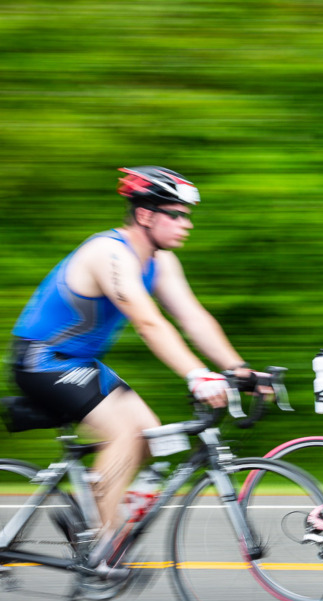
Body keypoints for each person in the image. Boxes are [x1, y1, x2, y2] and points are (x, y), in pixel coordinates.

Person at [9, 166, 254, 578]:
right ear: (145, 216)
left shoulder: (162, 262)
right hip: (41, 360)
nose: (186, 223)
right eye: (176, 214)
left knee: (150, 434)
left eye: (187, 215)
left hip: (80, 364)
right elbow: (149, 323)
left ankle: (88, 509)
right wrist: (197, 375)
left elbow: (192, 318)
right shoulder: (109, 254)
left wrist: (238, 369)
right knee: (122, 433)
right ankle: (104, 547)